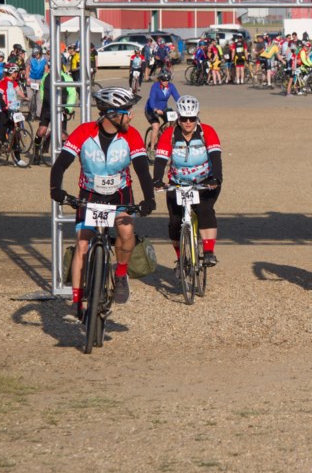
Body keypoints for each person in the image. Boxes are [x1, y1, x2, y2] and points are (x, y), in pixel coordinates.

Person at [49, 88, 156, 316]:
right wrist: (56, 189)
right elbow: (60, 164)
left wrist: (149, 199)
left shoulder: (132, 135)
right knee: (82, 245)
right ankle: (77, 300)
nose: (132, 116)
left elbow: (142, 171)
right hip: (90, 194)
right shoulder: (84, 132)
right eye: (128, 112)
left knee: (126, 233)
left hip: (120, 193)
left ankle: (120, 275)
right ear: (113, 115)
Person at [152, 95, 223, 268]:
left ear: (197, 117)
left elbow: (215, 157)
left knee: (205, 210)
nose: (188, 123)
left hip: (205, 181)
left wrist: (216, 178)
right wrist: (157, 180)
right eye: (184, 119)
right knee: (175, 221)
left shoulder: (207, 131)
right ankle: (180, 258)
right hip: (178, 182)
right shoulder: (169, 134)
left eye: (192, 118)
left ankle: (208, 252)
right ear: (178, 118)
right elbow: (161, 160)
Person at [0, 63, 30, 167]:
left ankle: (17, 159)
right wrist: (5, 107)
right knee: (0, 133)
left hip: (13, 110)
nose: (17, 74)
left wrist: (26, 98)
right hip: (3, 111)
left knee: (16, 133)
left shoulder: (14, 82)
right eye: (16, 72)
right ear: (11, 72)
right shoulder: (3, 82)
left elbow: (19, 92)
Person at [144, 72, 181, 151]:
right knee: (156, 126)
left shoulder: (171, 86)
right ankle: (152, 149)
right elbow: (152, 99)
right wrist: (155, 109)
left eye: (167, 80)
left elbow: (177, 97)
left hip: (163, 108)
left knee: (174, 121)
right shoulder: (155, 87)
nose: (166, 82)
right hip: (151, 109)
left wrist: (182, 105)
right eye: (164, 80)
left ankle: (166, 137)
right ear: (160, 80)